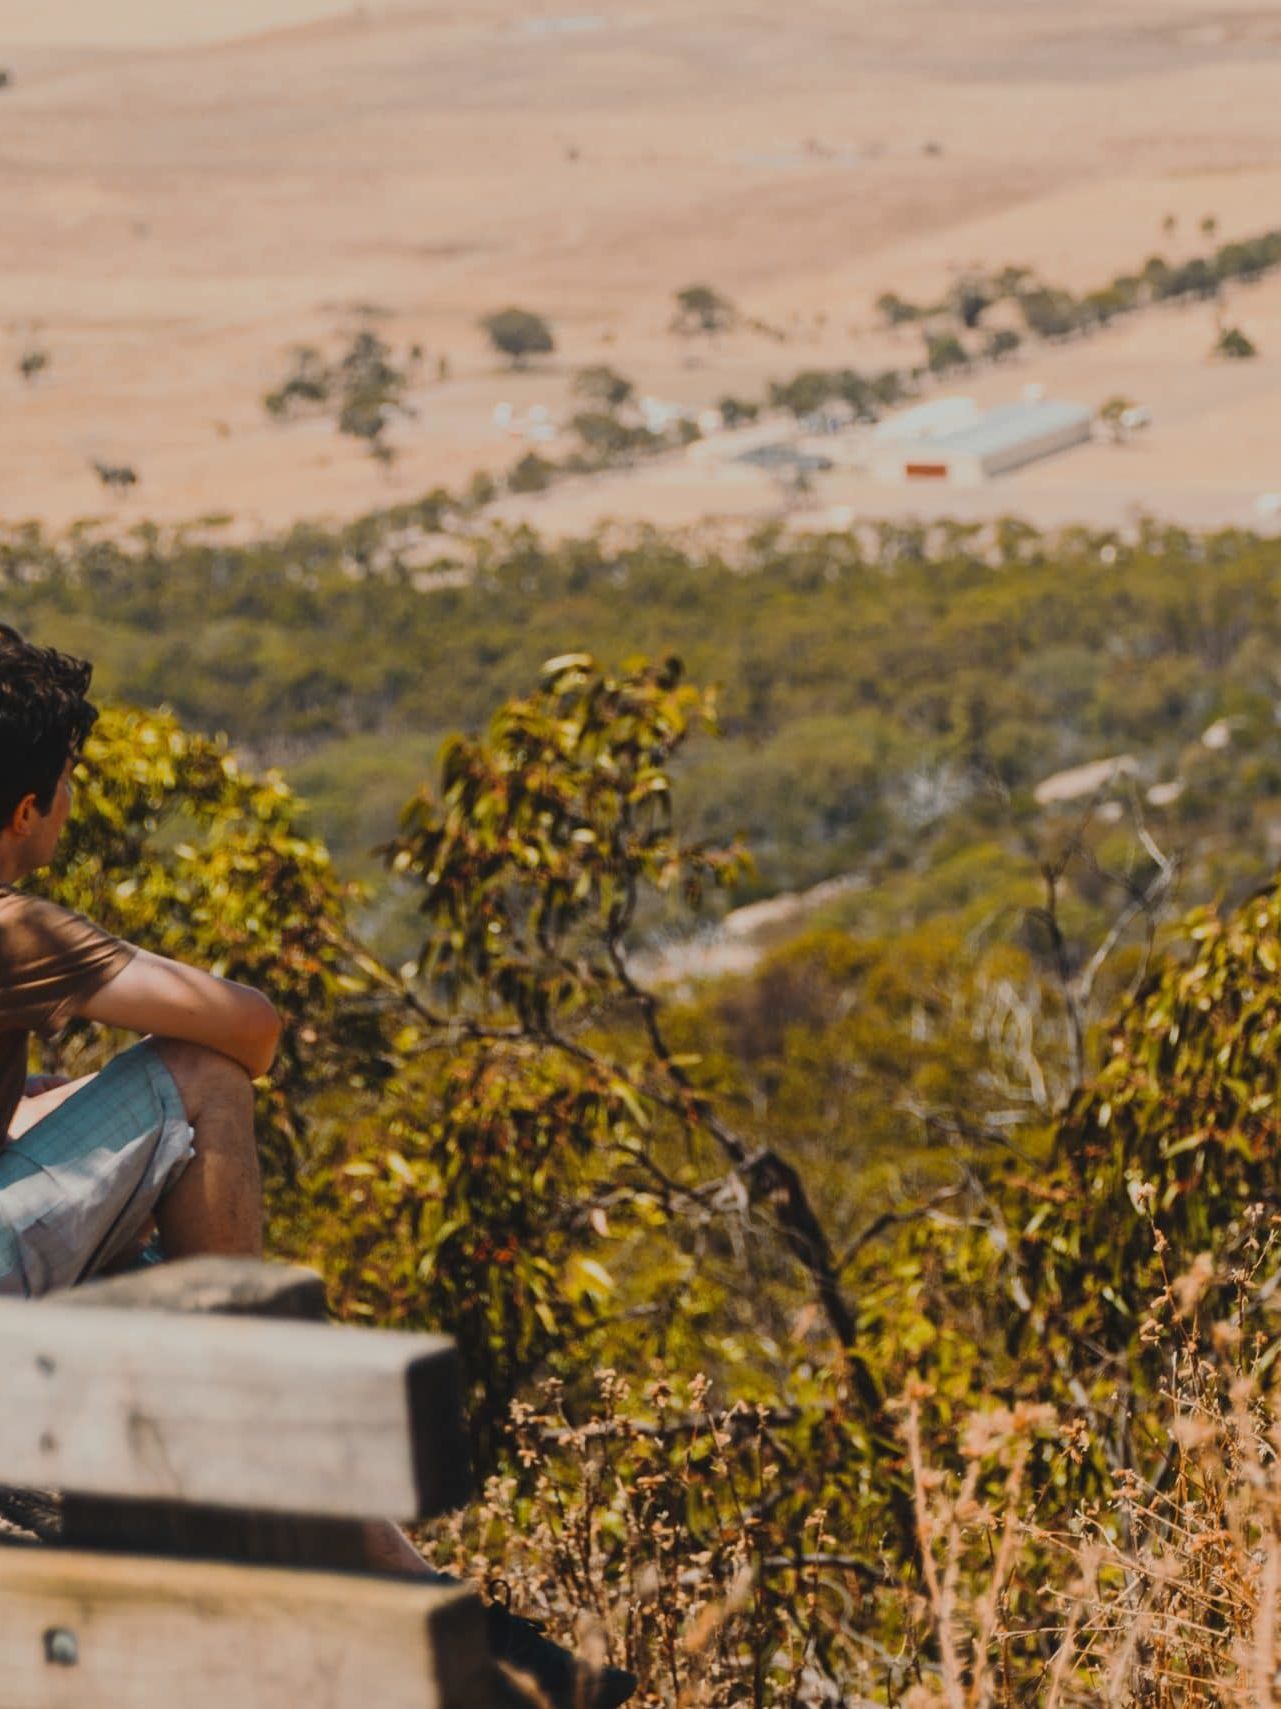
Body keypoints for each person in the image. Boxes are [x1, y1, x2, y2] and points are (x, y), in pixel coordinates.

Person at [0, 625, 634, 1709]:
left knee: (146, 1237)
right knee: (194, 1081)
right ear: (24, 809)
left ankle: (425, 1596)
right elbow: (245, 1028)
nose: (68, 804)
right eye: (64, 784)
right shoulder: (17, 929)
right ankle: (285, 1455)